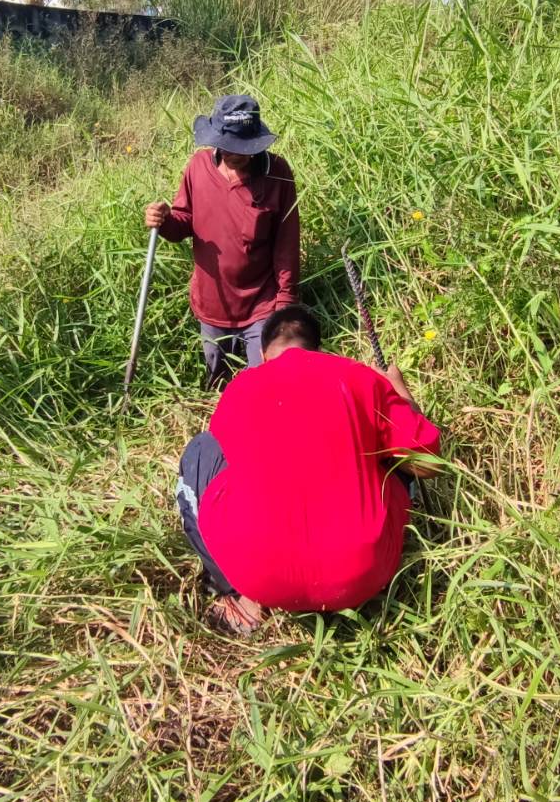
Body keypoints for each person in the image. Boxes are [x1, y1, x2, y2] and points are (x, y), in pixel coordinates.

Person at [174, 305, 442, 635]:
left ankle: (238, 596)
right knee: (392, 451)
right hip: (363, 575)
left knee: (201, 450)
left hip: (258, 575)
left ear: (261, 351)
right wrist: (400, 394)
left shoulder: (240, 388)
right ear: (318, 349)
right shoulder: (360, 377)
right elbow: (427, 462)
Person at [144, 94, 299, 389]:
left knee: (268, 385)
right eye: (225, 145)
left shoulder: (277, 174)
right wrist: (163, 221)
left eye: (241, 148)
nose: (231, 153)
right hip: (212, 302)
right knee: (217, 379)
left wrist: (286, 302)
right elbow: (183, 223)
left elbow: (287, 244)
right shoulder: (198, 167)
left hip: (261, 304)